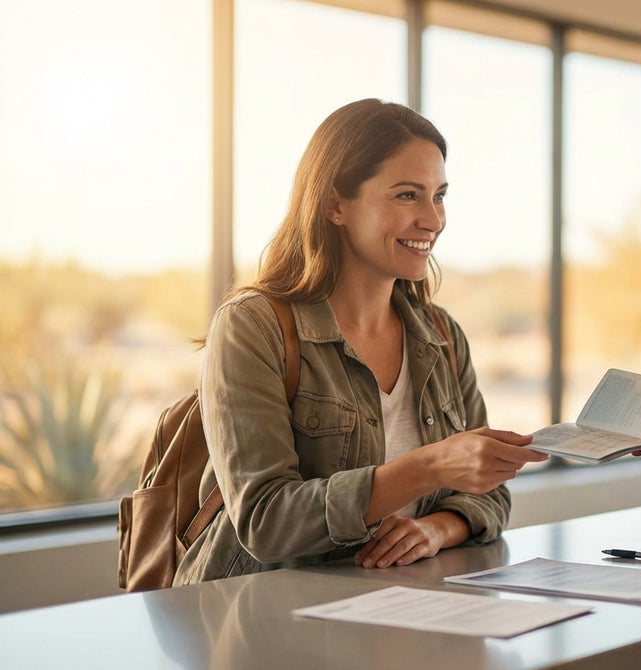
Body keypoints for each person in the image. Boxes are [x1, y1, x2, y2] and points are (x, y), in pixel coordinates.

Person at [175, 99, 548, 585]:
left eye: (439, 196)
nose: (433, 220)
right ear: (335, 205)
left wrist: (437, 528)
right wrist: (430, 466)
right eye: (407, 196)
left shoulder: (442, 337)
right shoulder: (253, 326)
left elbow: (489, 494)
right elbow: (265, 521)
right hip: (265, 620)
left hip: (401, 613)